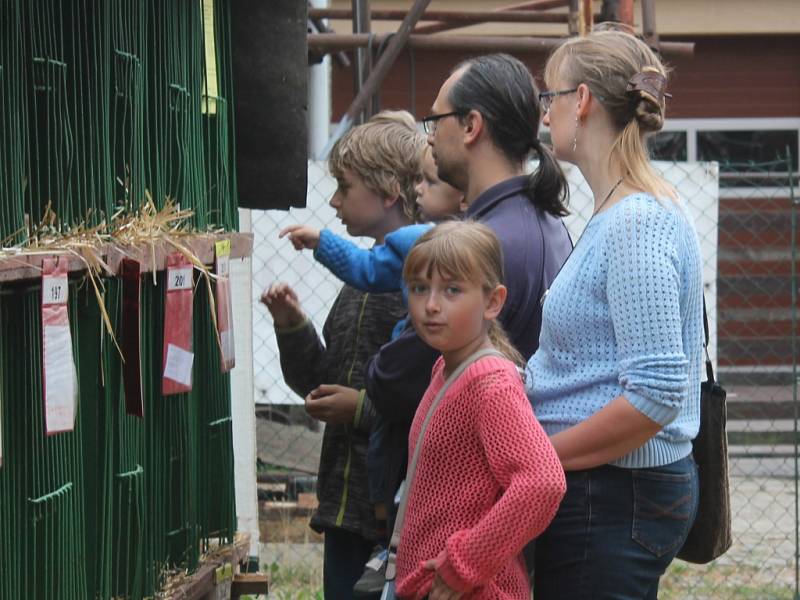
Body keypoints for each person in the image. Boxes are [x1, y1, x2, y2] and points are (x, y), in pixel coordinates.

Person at [526, 31, 704, 599]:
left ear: (581, 101)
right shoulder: (623, 212)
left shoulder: (635, 222)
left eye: (547, 96)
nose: (543, 111)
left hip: (611, 495)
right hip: (607, 491)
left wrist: (537, 460)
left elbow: (655, 393)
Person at [364, 54, 573, 534]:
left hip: (464, 518)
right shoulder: (544, 222)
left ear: (472, 125)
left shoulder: (488, 242)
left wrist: (378, 372)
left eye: (436, 120)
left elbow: (395, 379)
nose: (429, 135)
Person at [260, 111, 422, 600]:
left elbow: (439, 397)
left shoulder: (423, 289)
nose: (332, 202)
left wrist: (362, 409)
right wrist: (293, 328)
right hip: (345, 512)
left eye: (344, 187)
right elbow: (322, 383)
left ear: (389, 192)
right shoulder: (360, 284)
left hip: (394, 518)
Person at [393, 221, 566, 600]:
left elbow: (542, 481)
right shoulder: (446, 366)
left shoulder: (490, 383)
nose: (431, 305)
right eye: (420, 288)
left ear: (493, 301)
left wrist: (465, 564)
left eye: (452, 290)